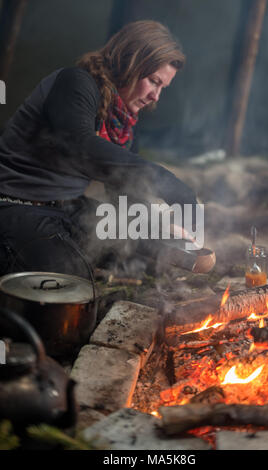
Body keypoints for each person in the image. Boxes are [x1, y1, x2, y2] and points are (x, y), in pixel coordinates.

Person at [0, 20, 199, 280]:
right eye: (153, 81)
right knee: (67, 276)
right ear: (130, 64)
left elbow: (124, 194)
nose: (155, 97)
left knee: (140, 249)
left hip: (66, 209)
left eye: (162, 87)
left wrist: (158, 227)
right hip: (15, 207)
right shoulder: (74, 84)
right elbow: (80, 146)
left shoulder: (122, 122)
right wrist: (166, 182)